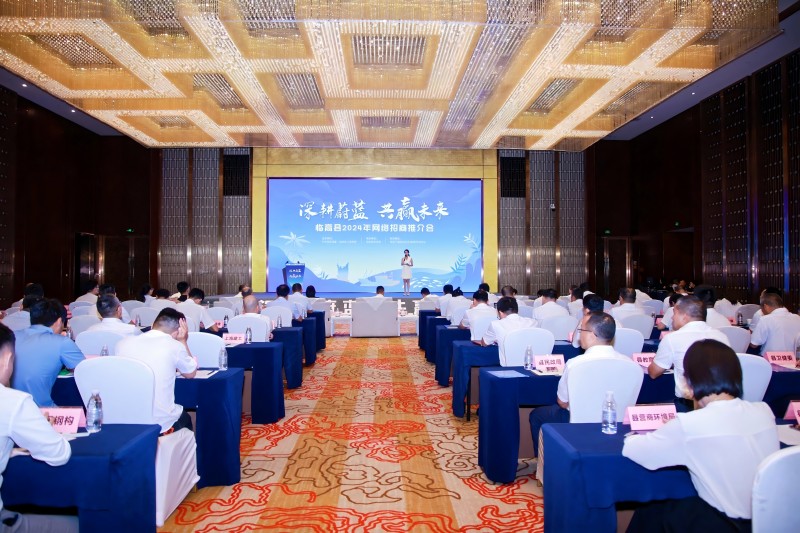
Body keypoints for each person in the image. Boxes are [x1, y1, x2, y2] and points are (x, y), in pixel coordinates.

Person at [623, 340, 779, 532]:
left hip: (719, 523)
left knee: (652, 508)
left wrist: (656, 431)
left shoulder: (690, 424)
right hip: (767, 520)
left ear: (691, 380)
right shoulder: (764, 411)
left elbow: (636, 451)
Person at [0, 323, 77, 533]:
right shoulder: (12, 401)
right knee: (88, 525)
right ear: (7, 359)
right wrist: (44, 428)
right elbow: (58, 454)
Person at [529, 312, 638, 456]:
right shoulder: (633, 366)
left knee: (537, 415)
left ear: (592, 335)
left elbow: (562, 402)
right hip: (617, 427)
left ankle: (545, 464)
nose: (579, 335)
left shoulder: (575, 364)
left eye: (581, 330)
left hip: (578, 425)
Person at [115, 308, 197, 434]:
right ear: (179, 330)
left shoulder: (122, 344)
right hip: (161, 422)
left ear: (153, 324)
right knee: (187, 417)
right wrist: (183, 341)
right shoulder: (175, 346)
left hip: (126, 419)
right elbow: (190, 373)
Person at [648, 296, 731, 412]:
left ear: (684, 316)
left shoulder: (672, 338)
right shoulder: (721, 336)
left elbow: (653, 373)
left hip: (687, 406)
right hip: (720, 406)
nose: (672, 317)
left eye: (674, 313)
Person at [11, 299, 85, 407]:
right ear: (59, 321)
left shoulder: (11, 336)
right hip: (40, 410)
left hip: (7, 407)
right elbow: (84, 370)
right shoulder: (62, 342)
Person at [479, 296, 537, 365]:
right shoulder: (533, 322)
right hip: (531, 365)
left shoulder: (496, 324)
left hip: (509, 367)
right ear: (517, 310)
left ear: (500, 312)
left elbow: (484, 343)